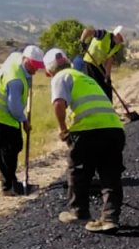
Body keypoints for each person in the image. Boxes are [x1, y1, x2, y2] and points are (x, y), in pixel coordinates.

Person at [45, 47, 126, 233]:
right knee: (110, 175)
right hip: (115, 129)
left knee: (78, 171)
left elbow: (59, 104)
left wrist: (63, 130)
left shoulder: (61, 77)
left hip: (88, 131)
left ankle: (79, 212)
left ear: (49, 71)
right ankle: (110, 218)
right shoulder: (85, 77)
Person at [0, 45, 41, 196]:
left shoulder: (16, 57)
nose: (36, 71)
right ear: (26, 61)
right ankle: (9, 186)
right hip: (3, 113)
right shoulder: (15, 80)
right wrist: (24, 121)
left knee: (6, 148)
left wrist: (28, 79)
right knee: (11, 149)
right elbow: (14, 107)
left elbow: (16, 52)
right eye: (33, 67)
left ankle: (7, 178)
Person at [76, 25, 125, 99]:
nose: (121, 41)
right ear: (117, 35)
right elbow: (87, 31)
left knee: (107, 85)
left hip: (97, 64)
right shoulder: (103, 34)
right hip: (89, 62)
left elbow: (109, 60)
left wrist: (107, 76)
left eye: (122, 40)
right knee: (96, 85)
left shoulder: (117, 46)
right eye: (121, 39)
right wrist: (82, 41)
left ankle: (109, 107)